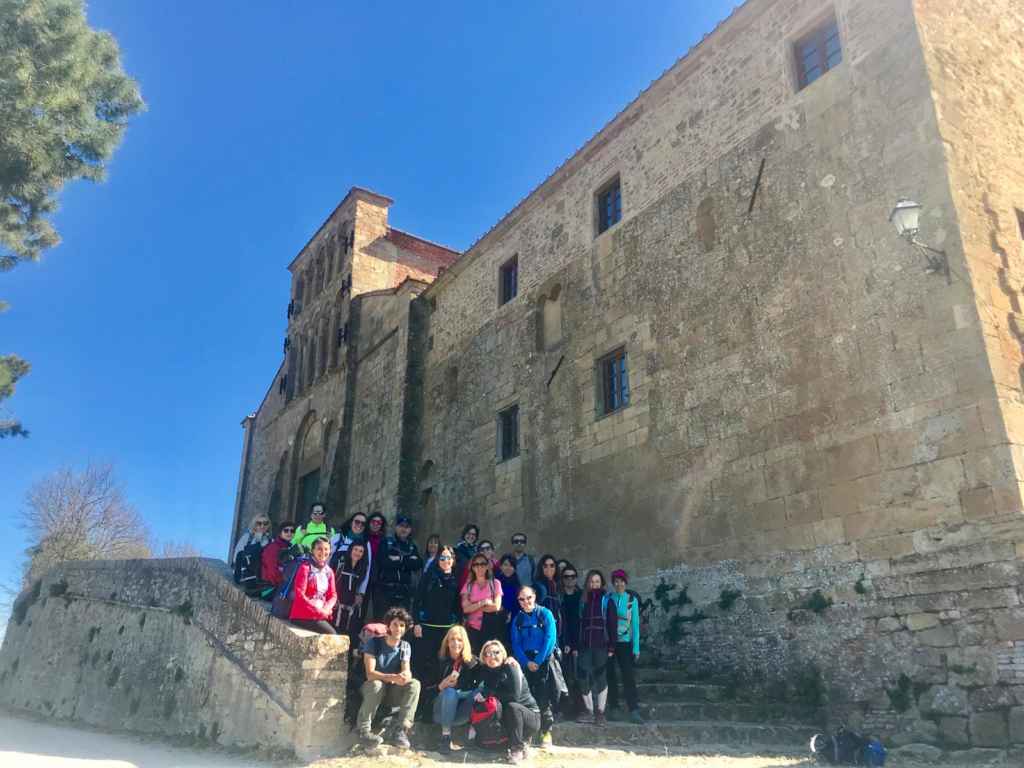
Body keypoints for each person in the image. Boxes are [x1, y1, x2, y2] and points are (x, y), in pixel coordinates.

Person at [356, 607, 420, 749]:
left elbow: (406, 671)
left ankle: (401, 730)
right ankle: (364, 731)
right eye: (395, 624)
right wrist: (392, 677)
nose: (398, 628)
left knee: (414, 684)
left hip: (390, 692)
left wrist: (405, 676)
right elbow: (370, 674)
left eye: (402, 625)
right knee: (377, 684)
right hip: (371, 689)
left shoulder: (405, 646)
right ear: (388, 626)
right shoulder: (374, 643)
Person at [411, 544, 461, 707]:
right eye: (442, 557)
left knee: (440, 665)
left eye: (449, 558)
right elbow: (417, 601)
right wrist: (417, 622)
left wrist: (458, 626)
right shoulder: (429, 576)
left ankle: (435, 705)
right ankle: (418, 704)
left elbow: (457, 606)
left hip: (446, 630)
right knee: (422, 664)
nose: (446, 561)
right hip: (427, 628)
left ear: (453, 560)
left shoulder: (455, 579)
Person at [476, 640, 540, 764]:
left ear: (503, 654)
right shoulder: (488, 671)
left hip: (530, 716)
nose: (492, 656)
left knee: (512, 706)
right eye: (487, 654)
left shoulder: (511, 666)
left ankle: (517, 749)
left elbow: (514, 697)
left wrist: (490, 695)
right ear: (483, 657)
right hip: (510, 718)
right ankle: (517, 742)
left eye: (496, 652)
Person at [509, 586, 559, 748]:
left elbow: (550, 638)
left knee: (544, 696)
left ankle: (546, 731)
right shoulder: (518, 619)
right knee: (526, 698)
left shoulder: (545, 614)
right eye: (521, 599)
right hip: (525, 662)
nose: (526, 602)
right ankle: (528, 733)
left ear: (535, 596)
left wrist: (538, 660)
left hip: (543, 661)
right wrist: (525, 662)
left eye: (528, 598)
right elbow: (515, 643)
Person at [576, 570, 617, 726]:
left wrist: (612, 646)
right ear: (587, 583)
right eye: (592, 582)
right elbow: (579, 623)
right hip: (585, 645)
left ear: (602, 583)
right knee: (582, 676)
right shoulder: (583, 601)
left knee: (601, 678)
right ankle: (589, 710)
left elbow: (613, 624)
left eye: (597, 582)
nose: (594, 584)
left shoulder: (607, 601)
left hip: (601, 645)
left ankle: (600, 712)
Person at [432, 625, 481, 755]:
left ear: (465, 642)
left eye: (459, 639)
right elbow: (425, 690)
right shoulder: (438, 659)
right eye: (452, 639)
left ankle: (473, 734)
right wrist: (440, 686)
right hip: (440, 713)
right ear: (447, 642)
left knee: (480, 691)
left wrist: (508, 659)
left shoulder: (473, 662)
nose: (456, 643)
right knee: (449, 692)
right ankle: (445, 737)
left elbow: (490, 674)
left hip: (460, 714)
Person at [606, 569, 644, 723]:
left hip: (625, 643)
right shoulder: (609, 598)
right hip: (610, 643)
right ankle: (613, 707)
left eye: (621, 580)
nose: (618, 583)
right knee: (610, 675)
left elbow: (635, 625)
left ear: (625, 582)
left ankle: (634, 710)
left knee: (628, 676)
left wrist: (636, 648)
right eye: (615, 581)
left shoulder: (631, 600)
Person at [287, 537, 338, 635]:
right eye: (319, 549)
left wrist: (327, 608)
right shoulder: (305, 568)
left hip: (321, 614)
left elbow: (333, 594)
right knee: (332, 634)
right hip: (302, 615)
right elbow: (300, 595)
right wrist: (319, 612)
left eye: (326, 549)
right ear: (312, 551)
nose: (323, 552)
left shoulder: (329, 571)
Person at [373, 516, 422, 615]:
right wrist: (407, 561)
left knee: (402, 626)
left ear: (410, 529)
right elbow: (383, 562)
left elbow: (418, 564)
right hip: (386, 591)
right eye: (401, 526)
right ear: (396, 527)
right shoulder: (386, 542)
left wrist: (399, 559)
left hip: (405, 592)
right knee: (382, 625)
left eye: (407, 527)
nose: (404, 529)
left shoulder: (412, 546)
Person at [462, 553, 504, 653]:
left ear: (487, 566)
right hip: (472, 629)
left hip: (490, 627)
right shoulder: (468, 585)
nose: (479, 567)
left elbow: (496, 607)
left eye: (482, 564)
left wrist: (474, 606)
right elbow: (465, 609)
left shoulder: (495, 583)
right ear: (472, 567)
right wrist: (483, 602)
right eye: (476, 564)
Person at [558, 563, 582, 718]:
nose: (570, 579)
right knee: (564, 676)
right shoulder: (559, 596)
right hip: (563, 640)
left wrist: (577, 644)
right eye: (566, 576)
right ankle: (565, 709)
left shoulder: (581, 595)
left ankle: (579, 709)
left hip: (579, 639)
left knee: (579, 676)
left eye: (573, 576)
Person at [334, 541, 369, 636]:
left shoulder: (362, 568)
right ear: (350, 550)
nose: (357, 553)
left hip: (351, 605)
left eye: (361, 551)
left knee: (348, 631)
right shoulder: (341, 563)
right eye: (355, 549)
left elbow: (359, 586)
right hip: (337, 603)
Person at [261, 520, 296, 587]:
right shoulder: (273, 547)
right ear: (280, 533)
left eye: (292, 531)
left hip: (282, 585)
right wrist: (282, 583)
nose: (289, 533)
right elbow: (272, 571)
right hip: (270, 586)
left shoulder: (289, 547)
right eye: (286, 530)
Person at [495, 554, 522, 626]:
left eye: (511, 565)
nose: (508, 568)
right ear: (500, 566)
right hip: (497, 619)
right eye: (505, 565)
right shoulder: (496, 582)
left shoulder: (517, 583)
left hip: (515, 621)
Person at [454, 524, 479, 589]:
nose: (471, 536)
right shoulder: (457, 550)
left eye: (473, 534)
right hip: (460, 585)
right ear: (464, 534)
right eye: (468, 533)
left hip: (474, 586)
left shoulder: (478, 551)